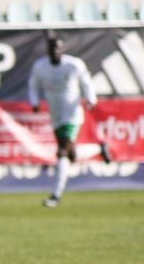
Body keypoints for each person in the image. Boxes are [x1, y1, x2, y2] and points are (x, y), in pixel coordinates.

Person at [30, 33, 112, 207]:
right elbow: (33, 84)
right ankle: (99, 148)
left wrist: (90, 98)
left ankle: (55, 195)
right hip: (55, 114)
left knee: (61, 151)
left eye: (58, 48)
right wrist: (34, 101)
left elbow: (86, 82)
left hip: (72, 113)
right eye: (52, 49)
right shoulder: (40, 67)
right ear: (48, 50)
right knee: (71, 155)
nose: (55, 52)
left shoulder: (73, 64)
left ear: (63, 49)